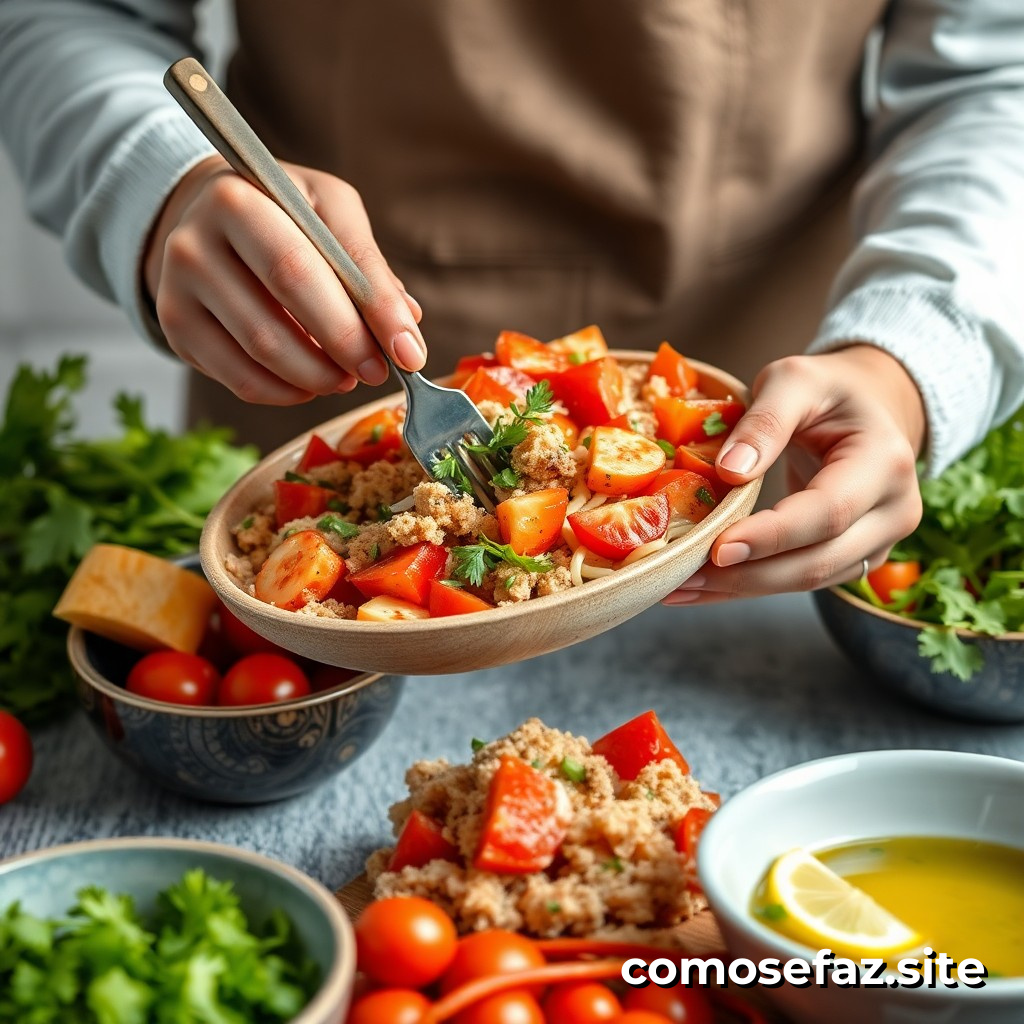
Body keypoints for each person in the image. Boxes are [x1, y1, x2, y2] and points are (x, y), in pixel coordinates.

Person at [1, 1, 1022, 608]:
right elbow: (67, 14)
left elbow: (993, 73)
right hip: (305, 367)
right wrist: (156, 184)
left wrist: (907, 357)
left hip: (769, 468)